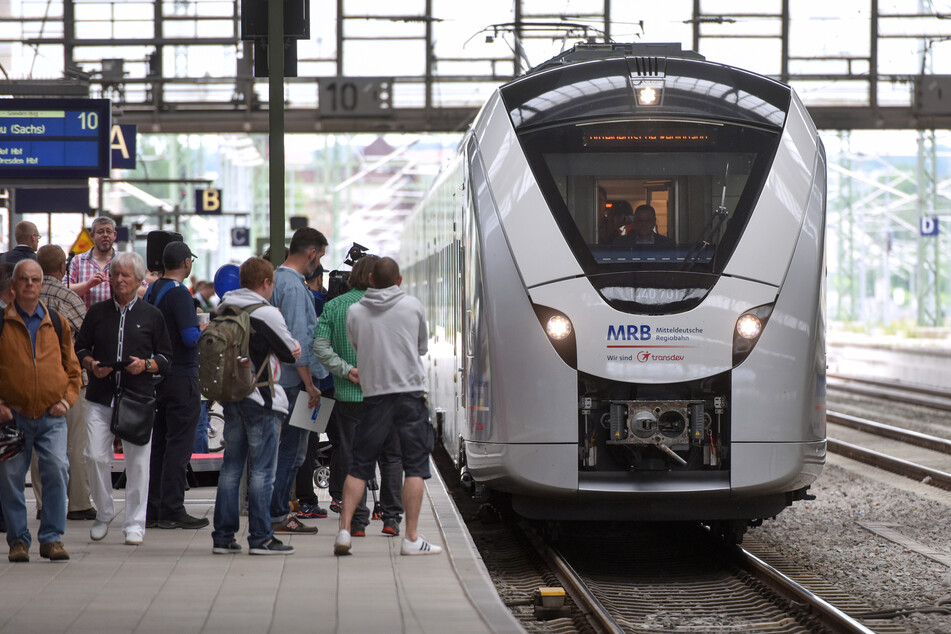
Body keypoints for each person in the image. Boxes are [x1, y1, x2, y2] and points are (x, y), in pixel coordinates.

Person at [334, 257, 441, 557]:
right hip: (409, 396)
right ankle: (410, 538)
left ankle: (344, 531)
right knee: (414, 467)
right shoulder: (412, 306)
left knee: (359, 465)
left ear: (369, 279)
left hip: (374, 397)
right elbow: (421, 347)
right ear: (399, 281)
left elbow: (357, 348)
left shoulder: (355, 312)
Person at [75, 252, 172, 546]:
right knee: (94, 455)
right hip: (100, 395)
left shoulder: (152, 316)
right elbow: (79, 347)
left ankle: (134, 523)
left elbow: (166, 358)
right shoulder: (98, 312)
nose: (118, 280)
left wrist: (146, 365)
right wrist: (92, 365)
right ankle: (104, 512)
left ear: (139, 280)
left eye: (125, 275)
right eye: (115, 274)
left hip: (137, 398)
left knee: (138, 463)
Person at [211, 257, 301, 555]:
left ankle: (223, 538)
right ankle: (261, 537)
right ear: (265, 283)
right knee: (263, 471)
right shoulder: (265, 312)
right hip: (262, 399)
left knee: (231, 468)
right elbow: (290, 353)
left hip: (232, 397)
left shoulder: (223, 308)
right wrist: (295, 348)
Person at [315, 254, 405, 536]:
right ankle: (391, 519)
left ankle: (357, 522)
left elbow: (319, 346)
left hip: (349, 398)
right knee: (391, 458)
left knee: (355, 459)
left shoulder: (334, 306)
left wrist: (345, 370)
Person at [0, 259, 82, 562]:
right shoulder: (2, 322)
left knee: (57, 471)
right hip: (13, 417)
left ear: (41, 284)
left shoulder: (57, 323)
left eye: (35, 279)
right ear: (13, 285)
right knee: (9, 478)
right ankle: (18, 541)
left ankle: (51, 538)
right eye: (24, 279)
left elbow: (73, 370)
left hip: (51, 416)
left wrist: (66, 401)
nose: (30, 285)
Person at [268, 227, 330, 535]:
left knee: (292, 451)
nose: (318, 263)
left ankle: (277, 512)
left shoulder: (279, 280)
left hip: (288, 379)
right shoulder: (292, 287)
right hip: (296, 382)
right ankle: (278, 514)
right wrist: (310, 384)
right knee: (293, 452)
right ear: (312, 253)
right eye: (320, 256)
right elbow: (298, 341)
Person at [145, 242, 209, 530]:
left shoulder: (153, 289)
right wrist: (204, 329)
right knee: (179, 446)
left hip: (158, 375)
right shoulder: (181, 294)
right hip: (182, 375)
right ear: (186, 262)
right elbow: (188, 337)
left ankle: (155, 508)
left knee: (159, 443)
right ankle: (173, 508)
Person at [33, 245, 96, 521]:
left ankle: (43, 503)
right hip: (68, 381)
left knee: (37, 443)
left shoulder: (25, 297)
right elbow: (87, 336)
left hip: (33, 380)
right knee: (75, 443)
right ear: (62, 268)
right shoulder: (67, 297)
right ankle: (79, 503)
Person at [67, 217, 118, 309]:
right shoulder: (77, 261)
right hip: (85, 321)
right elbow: (65, 290)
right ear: (92, 235)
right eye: (100, 232)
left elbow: (144, 290)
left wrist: (123, 284)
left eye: (109, 232)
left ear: (114, 235)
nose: (105, 235)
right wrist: (88, 285)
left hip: (117, 321)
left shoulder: (125, 261)